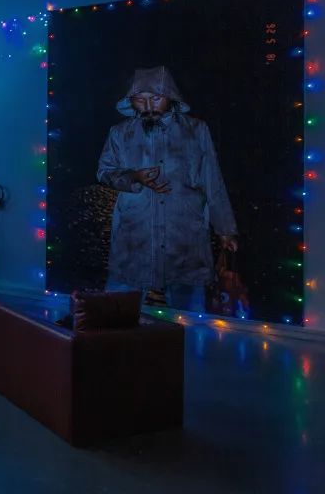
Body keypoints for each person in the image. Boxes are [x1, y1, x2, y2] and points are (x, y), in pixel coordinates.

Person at [96, 66, 238, 312]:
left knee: (188, 315)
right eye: (140, 99)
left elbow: (212, 179)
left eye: (155, 98)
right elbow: (104, 172)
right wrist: (133, 177)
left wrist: (225, 229)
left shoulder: (196, 130)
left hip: (184, 239)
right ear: (131, 101)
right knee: (118, 313)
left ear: (170, 97)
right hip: (134, 240)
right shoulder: (120, 133)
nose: (148, 106)